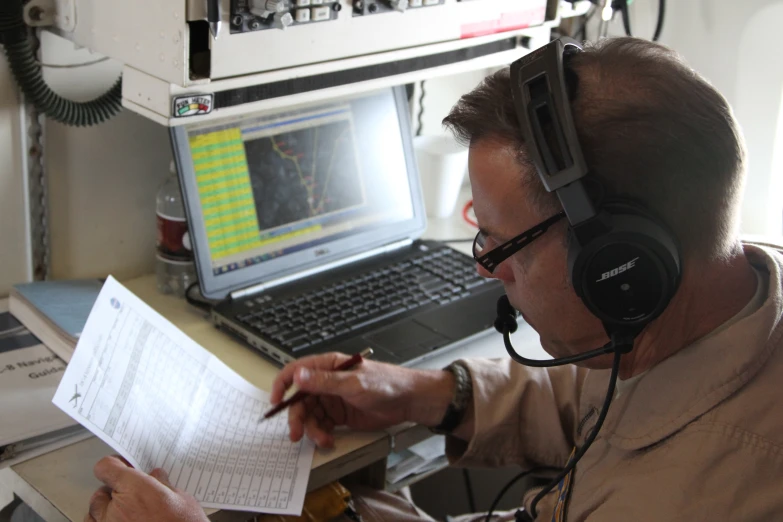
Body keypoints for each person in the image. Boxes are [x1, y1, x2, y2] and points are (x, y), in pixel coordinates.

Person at [85, 36, 783, 522]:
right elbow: (608, 405)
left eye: (500, 242)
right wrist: (425, 394)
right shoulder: (722, 308)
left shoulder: (709, 495)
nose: (483, 266)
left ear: (615, 266)